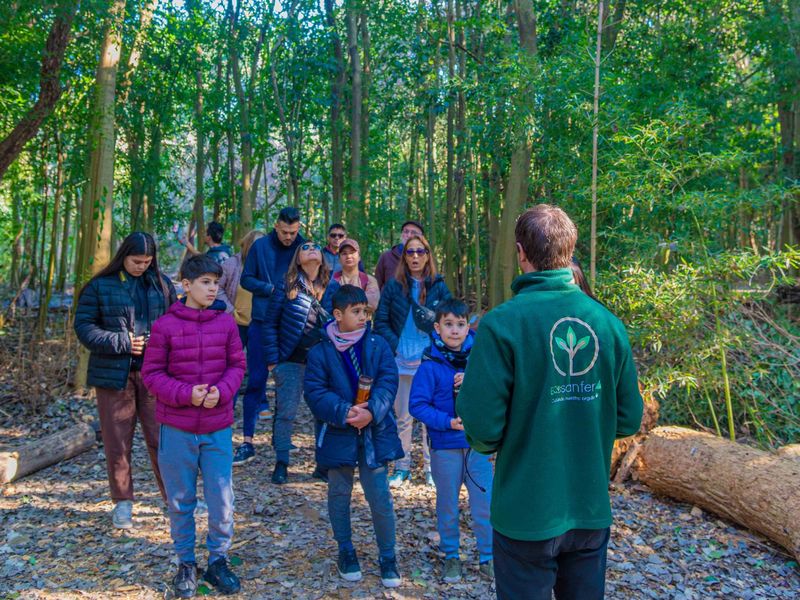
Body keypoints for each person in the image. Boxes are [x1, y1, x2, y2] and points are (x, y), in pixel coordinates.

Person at [456, 204, 644, 600]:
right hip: (588, 505)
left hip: (526, 509)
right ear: (569, 251)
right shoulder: (607, 323)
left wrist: (496, 442)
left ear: (521, 252)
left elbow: (482, 427)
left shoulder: (502, 323)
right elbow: (628, 419)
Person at [142, 254, 246, 598]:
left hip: (217, 427)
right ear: (186, 285)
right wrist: (188, 394)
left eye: (216, 283)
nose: (213, 288)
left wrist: (222, 391)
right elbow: (152, 375)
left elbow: (237, 365)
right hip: (177, 428)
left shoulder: (226, 323)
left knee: (221, 499)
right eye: (205, 282)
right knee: (181, 500)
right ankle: (186, 563)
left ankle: (218, 560)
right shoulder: (165, 326)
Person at [74, 232, 176, 529]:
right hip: (112, 376)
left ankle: (174, 499)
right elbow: (84, 327)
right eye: (136, 261)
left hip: (156, 376)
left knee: (162, 439)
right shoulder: (100, 286)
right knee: (117, 441)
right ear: (123, 256)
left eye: (147, 262)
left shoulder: (162, 285)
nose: (141, 266)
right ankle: (123, 502)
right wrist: (122, 341)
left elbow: (175, 322)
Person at [304, 284, 403, 588]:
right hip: (337, 433)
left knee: (380, 496)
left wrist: (372, 410)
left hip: (375, 432)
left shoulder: (377, 344)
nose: (362, 317)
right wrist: (345, 411)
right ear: (338, 314)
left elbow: (389, 380)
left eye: (365, 311)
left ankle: (388, 555)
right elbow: (315, 391)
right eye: (356, 311)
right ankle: (345, 550)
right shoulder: (321, 350)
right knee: (339, 493)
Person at [409, 298, 494, 583]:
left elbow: (497, 391)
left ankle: (488, 557)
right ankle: (451, 556)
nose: (455, 331)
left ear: (468, 326)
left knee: (483, 503)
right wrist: (447, 422)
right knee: (447, 504)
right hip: (445, 446)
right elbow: (417, 405)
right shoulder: (430, 363)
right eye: (448, 325)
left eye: (460, 324)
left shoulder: (481, 358)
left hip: (477, 446)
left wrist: (472, 382)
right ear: (437, 327)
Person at [374, 234, 451, 487]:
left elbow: (449, 322)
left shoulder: (438, 285)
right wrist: (395, 347)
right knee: (404, 418)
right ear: (404, 257)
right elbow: (381, 321)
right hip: (401, 362)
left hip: (429, 363)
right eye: (410, 252)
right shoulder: (394, 286)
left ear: (428, 255)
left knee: (430, 419)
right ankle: (402, 467)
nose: (415, 256)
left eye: (420, 252)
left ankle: (432, 469)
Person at [263, 240, 339, 484]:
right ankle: (282, 462)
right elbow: (270, 323)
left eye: (316, 247)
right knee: (286, 412)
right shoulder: (286, 285)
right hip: (291, 360)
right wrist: (274, 361)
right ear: (297, 258)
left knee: (324, 413)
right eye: (305, 247)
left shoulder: (333, 287)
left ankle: (323, 464)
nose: (312, 249)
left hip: (323, 363)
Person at [235, 207, 305, 465]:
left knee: (289, 384)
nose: (289, 237)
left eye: (293, 232)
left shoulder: (304, 247)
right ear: (276, 226)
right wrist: (271, 289)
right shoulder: (261, 247)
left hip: (293, 324)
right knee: (256, 381)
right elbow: (246, 280)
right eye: (285, 232)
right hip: (262, 322)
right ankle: (247, 441)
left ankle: (282, 438)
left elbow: (316, 277)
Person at [216, 230, 269, 418]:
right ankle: (227, 403)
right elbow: (218, 288)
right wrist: (230, 311)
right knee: (232, 364)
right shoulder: (232, 264)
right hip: (236, 323)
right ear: (247, 244)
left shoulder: (268, 265)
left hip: (259, 323)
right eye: (255, 244)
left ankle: (260, 402)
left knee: (259, 365)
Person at [374, 220, 425, 289]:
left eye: (413, 232)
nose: (409, 235)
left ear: (421, 237)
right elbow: (376, 286)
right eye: (406, 231)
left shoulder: (425, 258)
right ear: (401, 234)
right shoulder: (386, 256)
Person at [333, 238, 380, 311]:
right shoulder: (332, 280)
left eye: (352, 252)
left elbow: (373, 304)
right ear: (339, 259)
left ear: (359, 257)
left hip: (363, 321)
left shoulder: (369, 280)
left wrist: (343, 302)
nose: (348, 256)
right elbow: (329, 305)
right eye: (344, 253)